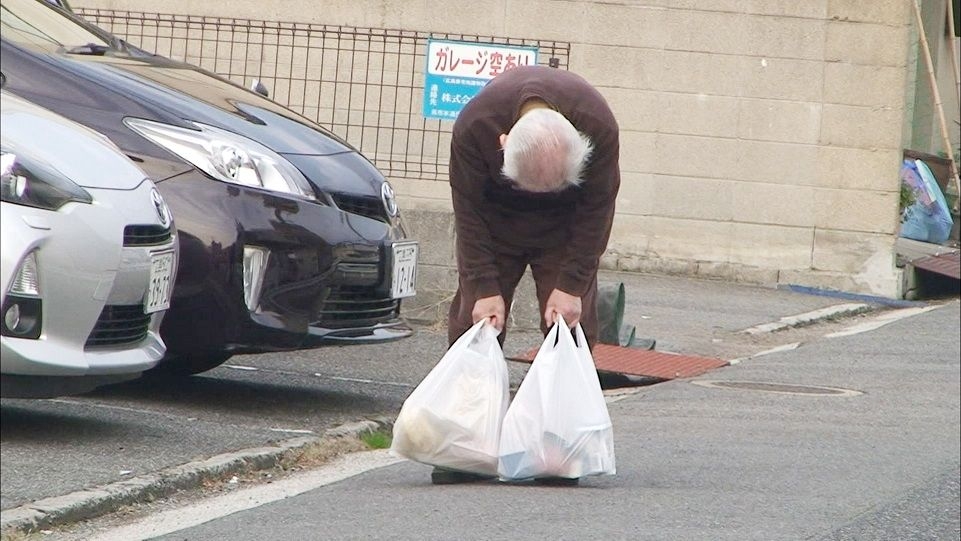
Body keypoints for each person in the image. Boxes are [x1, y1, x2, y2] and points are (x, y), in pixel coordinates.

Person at [433, 65, 620, 485]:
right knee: (474, 322)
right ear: (503, 145)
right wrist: (482, 286)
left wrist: (572, 285)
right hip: (496, 221)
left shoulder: (598, 123)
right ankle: (464, 445)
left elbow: (597, 209)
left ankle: (558, 448)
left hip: (566, 226)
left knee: (570, 324)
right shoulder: (475, 126)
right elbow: (469, 212)